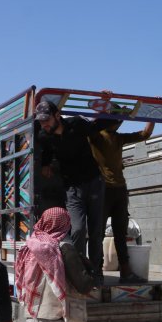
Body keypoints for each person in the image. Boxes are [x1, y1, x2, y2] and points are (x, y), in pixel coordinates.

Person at [34, 100, 107, 285]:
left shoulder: (77, 123)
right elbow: (47, 153)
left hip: (94, 182)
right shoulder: (44, 136)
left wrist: (105, 104)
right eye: (41, 122)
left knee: (97, 231)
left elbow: (99, 126)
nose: (44, 125)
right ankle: (81, 273)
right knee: (78, 229)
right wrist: (45, 165)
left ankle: (97, 272)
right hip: (72, 189)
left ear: (57, 116)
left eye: (46, 120)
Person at [88, 111, 154, 282]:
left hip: (119, 190)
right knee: (98, 234)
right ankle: (96, 271)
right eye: (118, 120)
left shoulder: (118, 137)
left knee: (119, 234)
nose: (119, 124)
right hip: (104, 190)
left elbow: (145, 134)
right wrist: (102, 104)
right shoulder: (96, 136)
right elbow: (90, 126)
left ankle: (125, 272)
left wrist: (152, 115)